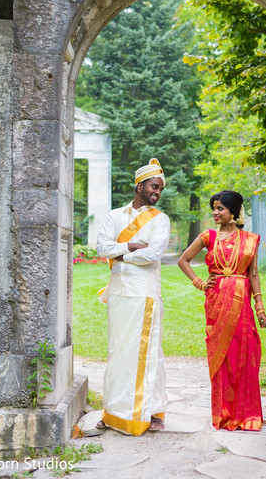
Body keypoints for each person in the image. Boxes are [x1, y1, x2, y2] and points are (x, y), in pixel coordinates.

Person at [178, 190, 266, 431]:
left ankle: (248, 413)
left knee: (245, 353)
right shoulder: (208, 237)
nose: (215, 213)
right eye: (214, 208)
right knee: (222, 355)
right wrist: (199, 282)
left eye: (220, 209)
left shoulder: (250, 240)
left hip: (242, 302)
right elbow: (183, 260)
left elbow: (253, 274)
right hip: (216, 301)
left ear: (234, 212)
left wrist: (259, 307)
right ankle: (224, 413)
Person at [95, 158, 170, 435]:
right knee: (118, 353)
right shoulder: (114, 216)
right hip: (118, 294)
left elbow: (153, 254)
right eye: (154, 186)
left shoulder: (160, 219)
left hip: (144, 295)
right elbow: (101, 247)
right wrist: (129, 245)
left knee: (148, 354)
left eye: (160, 189)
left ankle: (152, 410)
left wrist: (121, 253)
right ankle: (114, 411)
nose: (157, 192)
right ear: (139, 186)